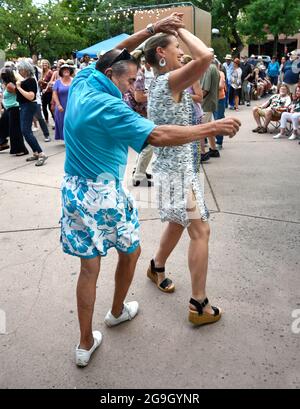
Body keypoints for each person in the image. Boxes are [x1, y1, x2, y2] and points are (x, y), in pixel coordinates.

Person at [61, 13, 241, 367]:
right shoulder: (111, 104)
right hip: (106, 192)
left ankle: (85, 343)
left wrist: (153, 28)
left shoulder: (84, 80)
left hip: (73, 190)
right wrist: (213, 127)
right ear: (113, 76)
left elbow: (113, 54)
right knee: (134, 250)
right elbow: (157, 135)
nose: (133, 86)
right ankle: (124, 310)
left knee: (90, 268)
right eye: (129, 81)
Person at [144, 28, 235, 329]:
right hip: (177, 174)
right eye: (176, 47)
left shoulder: (172, 81)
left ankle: (156, 267)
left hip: (181, 169)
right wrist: (177, 29)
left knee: (177, 222)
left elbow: (198, 92)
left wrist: (180, 47)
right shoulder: (166, 80)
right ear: (160, 54)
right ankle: (199, 303)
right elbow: (207, 56)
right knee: (201, 231)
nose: (181, 51)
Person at [16, 60, 48, 166]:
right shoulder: (27, 80)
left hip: (28, 106)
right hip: (25, 106)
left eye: (20, 69)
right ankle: (36, 152)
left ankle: (41, 153)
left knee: (26, 131)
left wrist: (19, 87)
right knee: (25, 131)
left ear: (24, 69)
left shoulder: (30, 80)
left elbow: (31, 96)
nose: (19, 71)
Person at [0, 68, 28, 155]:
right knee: (10, 128)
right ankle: (4, 143)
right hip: (9, 109)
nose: (1, 75)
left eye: (3, 74)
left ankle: (21, 149)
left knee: (15, 130)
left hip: (15, 109)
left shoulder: (10, 85)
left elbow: (19, 93)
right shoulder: (7, 84)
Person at [52, 64, 74, 140]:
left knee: (72, 123)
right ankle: (66, 139)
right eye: (64, 69)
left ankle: (72, 139)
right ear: (61, 71)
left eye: (67, 69)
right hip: (61, 106)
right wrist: (58, 105)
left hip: (72, 106)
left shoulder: (74, 80)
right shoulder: (57, 82)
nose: (66, 70)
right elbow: (54, 94)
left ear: (70, 70)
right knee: (62, 123)